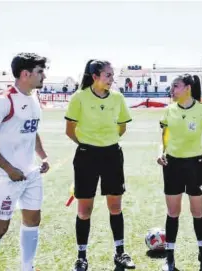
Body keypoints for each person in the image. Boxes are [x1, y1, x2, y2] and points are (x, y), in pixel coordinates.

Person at [0, 53, 50, 271]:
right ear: (25, 74)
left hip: (31, 175)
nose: (44, 76)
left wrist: (43, 155)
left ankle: (27, 267)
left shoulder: (33, 98)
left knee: (33, 221)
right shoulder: (3, 101)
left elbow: (32, 130)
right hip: (6, 178)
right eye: (39, 72)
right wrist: (9, 169)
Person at [64, 59, 135, 271]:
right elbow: (70, 130)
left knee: (115, 207)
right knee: (85, 210)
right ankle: (82, 256)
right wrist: (88, 145)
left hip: (112, 155)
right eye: (108, 75)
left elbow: (122, 128)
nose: (112, 80)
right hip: (87, 156)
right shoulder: (79, 98)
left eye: (112, 75)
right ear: (95, 76)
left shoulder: (118, 98)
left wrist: (106, 143)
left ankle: (120, 253)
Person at [157, 74, 202, 271]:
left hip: (196, 165)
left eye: (176, 86)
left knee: (197, 212)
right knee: (173, 212)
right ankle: (170, 257)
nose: (172, 90)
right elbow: (164, 136)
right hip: (173, 165)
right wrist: (160, 152)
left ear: (188, 88)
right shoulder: (169, 111)